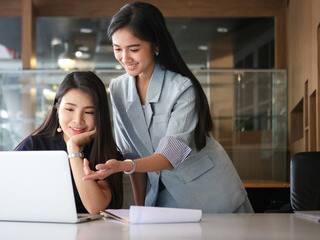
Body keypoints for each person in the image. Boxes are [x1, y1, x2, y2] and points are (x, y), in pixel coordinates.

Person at [83, 2, 253, 213]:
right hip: (164, 196)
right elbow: (132, 156)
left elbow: (170, 155)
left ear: (156, 44)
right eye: (118, 49)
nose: (125, 58)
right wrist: (140, 210)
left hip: (211, 192)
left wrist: (124, 166)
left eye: (134, 49)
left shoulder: (181, 88)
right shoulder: (118, 89)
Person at [14, 71, 123, 214]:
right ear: (58, 108)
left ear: (99, 116)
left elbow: (96, 207)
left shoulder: (107, 154)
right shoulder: (34, 146)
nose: (78, 120)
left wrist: (73, 149)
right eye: (70, 109)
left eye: (89, 112)